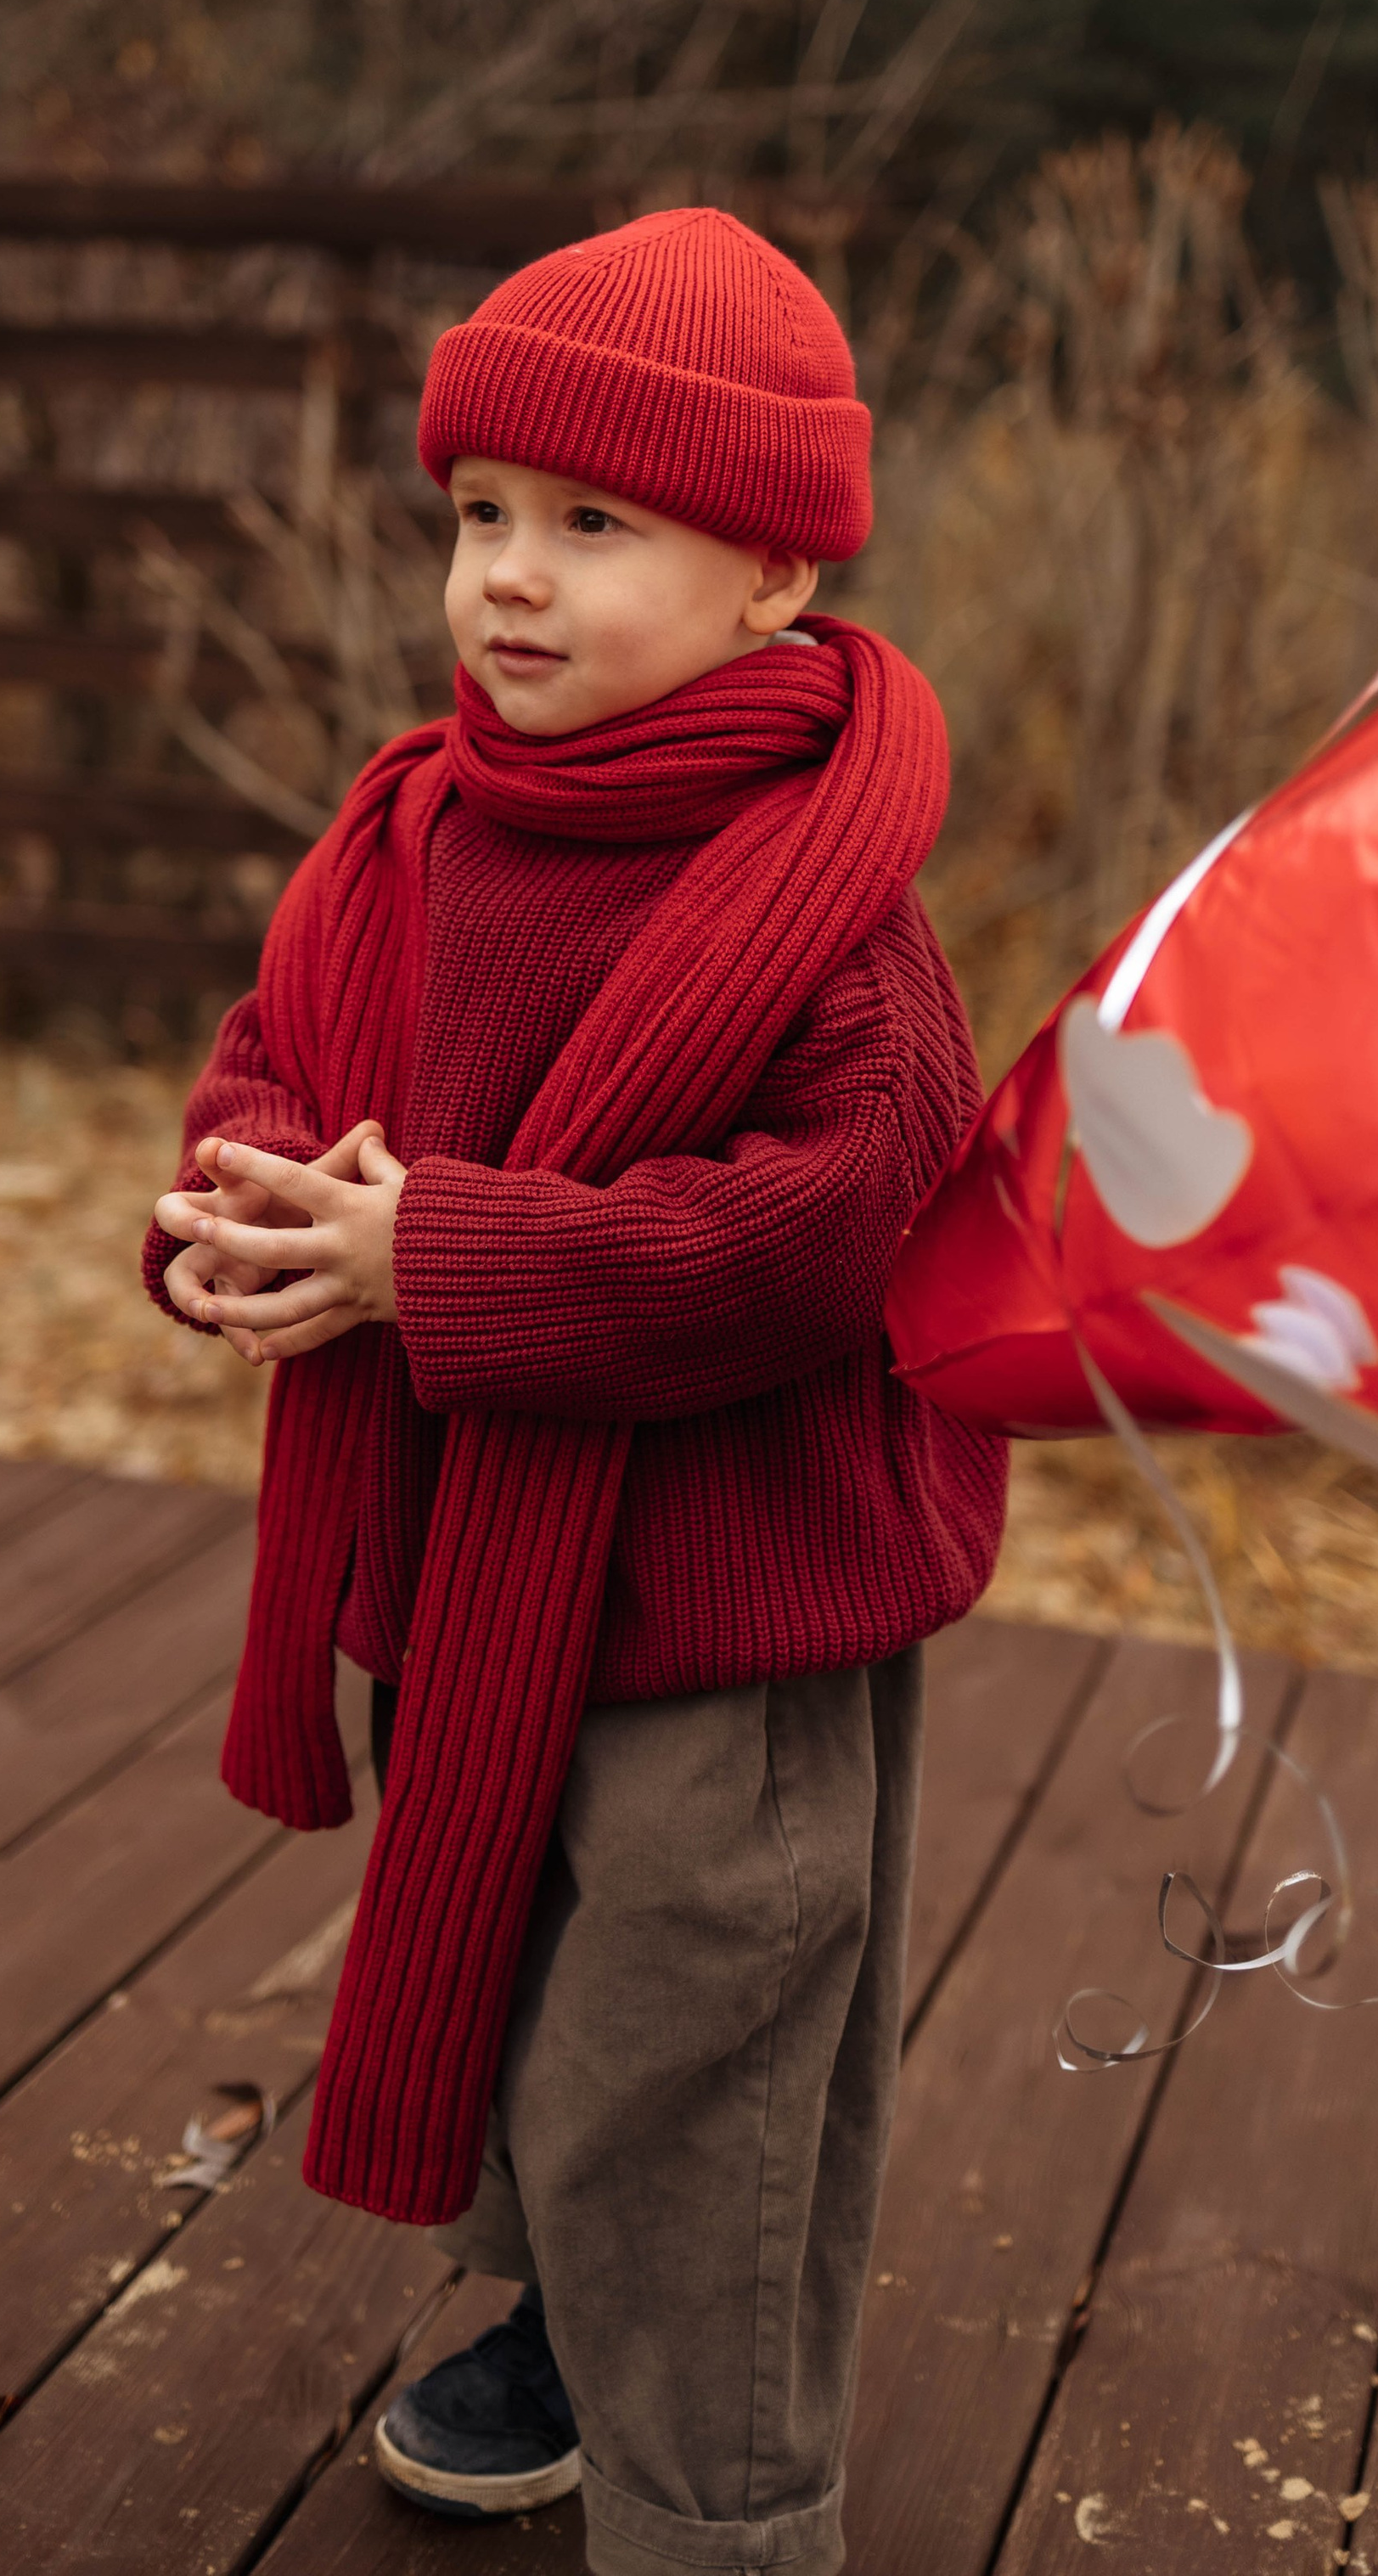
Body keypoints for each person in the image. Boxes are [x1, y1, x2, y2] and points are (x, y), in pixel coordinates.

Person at [143, 207, 1006, 2576]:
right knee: (524, 1978)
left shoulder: (828, 905)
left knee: (694, 2062)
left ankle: (721, 2511)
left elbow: (819, 1237)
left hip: (728, 1609)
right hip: (474, 1568)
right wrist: (242, 1225)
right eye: (482, 513)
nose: (510, 578)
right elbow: (277, 1061)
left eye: (596, 525)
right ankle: (556, 2329)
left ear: (774, 578)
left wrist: (435, 1257)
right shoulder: (413, 827)